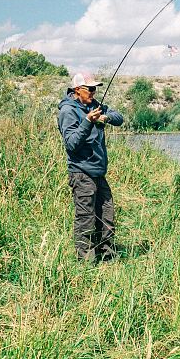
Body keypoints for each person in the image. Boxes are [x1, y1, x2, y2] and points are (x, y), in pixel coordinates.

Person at [57, 73, 125, 261]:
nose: (94, 93)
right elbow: (71, 143)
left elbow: (119, 117)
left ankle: (107, 258)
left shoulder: (95, 106)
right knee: (85, 219)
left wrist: (105, 117)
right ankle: (86, 262)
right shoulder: (68, 111)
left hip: (99, 173)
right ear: (77, 90)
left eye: (95, 89)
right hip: (81, 173)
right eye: (90, 89)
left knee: (107, 216)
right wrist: (88, 121)